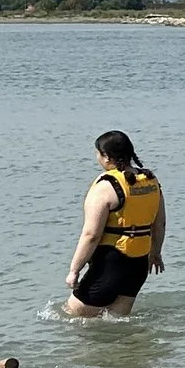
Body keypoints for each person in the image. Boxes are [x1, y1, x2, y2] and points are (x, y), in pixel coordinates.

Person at [63, 131, 166, 317]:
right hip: (139, 266)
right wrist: (156, 253)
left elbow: (91, 235)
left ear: (106, 157)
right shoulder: (151, 181)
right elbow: (160, 225)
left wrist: (74, 270)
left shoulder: (106, 186)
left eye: (98, 153)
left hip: (110, 264)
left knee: (70, 317)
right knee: (117, 323)